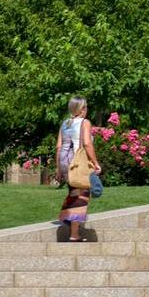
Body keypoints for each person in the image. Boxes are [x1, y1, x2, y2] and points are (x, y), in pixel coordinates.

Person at [55, 96, 101, 242]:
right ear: (81, 109)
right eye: (85, 107)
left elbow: (58, 147)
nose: (87, 110)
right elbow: (87, 144)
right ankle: (74, 233)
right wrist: (95, 162)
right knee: (81, 196)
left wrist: (58, 168)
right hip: (78, 163)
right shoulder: (85, 122)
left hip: (64, 163)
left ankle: (69, 221)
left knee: (74, 193)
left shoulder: (65, 123)